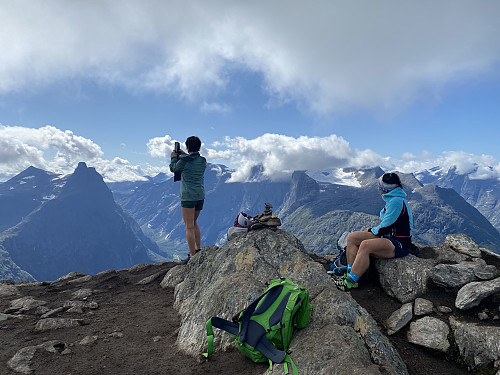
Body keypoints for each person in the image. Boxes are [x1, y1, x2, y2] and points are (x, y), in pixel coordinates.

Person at [333, 172, 415, 292]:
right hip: (388, 237)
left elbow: (386, 227)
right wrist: (373, 231)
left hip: (399, 243)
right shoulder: (393, 199)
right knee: (352, 237)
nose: (377, 188)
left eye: (379, 186)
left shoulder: (396, 202)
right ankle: (351, 273)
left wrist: (371, 230)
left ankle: (349, 283)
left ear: (383, 189)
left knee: (366, 245)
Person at [169, 136, 207, 263]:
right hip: (200, 196)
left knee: (189, 226)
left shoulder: (184, 162)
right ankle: (197, 249)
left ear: (187, 146)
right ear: (199, 147)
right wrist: (184, 155)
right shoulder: (203, 161)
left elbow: (174, 168)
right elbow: (193, 159)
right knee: (194, 222)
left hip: (188, 196)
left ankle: (192, 256)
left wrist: (174, 157)